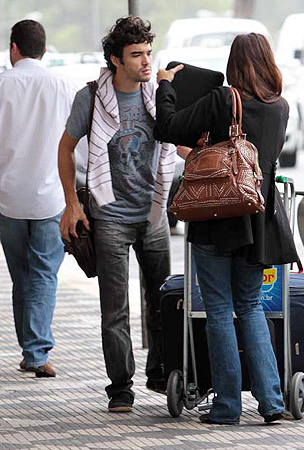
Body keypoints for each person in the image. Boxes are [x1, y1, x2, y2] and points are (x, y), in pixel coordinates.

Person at [154, 33, 299, 425]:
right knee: (250, 308)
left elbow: (167, 126)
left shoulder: (223, 99)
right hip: (259, 220)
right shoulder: (280, 108)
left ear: (234, 63)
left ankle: (228, 407)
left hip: (217, 216)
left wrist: (166, 85)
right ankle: (270, 402)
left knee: (219, 310)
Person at [59, 16, 176, 413]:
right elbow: (65, 148)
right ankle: (120, 388)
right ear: (115, 59)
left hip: (154, 212)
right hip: (108, 215)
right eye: (136, 55)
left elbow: (180, 141)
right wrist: (72, 204)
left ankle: (161, 373)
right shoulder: (90, 98)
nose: (146, 62)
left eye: (148, 53)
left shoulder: (159, 94)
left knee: (163, 299)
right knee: (115, 308)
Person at [0, 20, 76, 378]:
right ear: (43, 49)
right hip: (51, 196)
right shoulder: (63, 86)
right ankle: (35, 350)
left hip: (9, 198)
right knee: (44, 273)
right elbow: (79, 141)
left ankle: (30, 347)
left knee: (22, 275)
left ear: (13, 48)